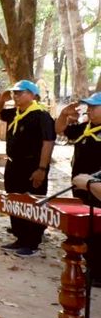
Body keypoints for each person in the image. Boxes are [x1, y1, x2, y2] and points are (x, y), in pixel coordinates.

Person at [0, 79, 55, 257]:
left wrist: (42, 169)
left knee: (33, 202)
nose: (16, 96)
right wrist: (1, 100)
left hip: (32, 165)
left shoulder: (41, 115)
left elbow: (48, 142)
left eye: (20, 93)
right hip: (14, 164)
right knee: (14, 200)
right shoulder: (15, 112)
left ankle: (33, 242)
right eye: (14, 93)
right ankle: (20, 237)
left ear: (32, 95)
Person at [59, 92, 101, 287]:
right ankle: (91, 268)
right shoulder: (85, 128)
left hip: (98, 190)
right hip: (81, 189)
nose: (89, 110)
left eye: (94, 107)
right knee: (88, 231)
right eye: (89, 107)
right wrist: (64, 114)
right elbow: (60, 130)